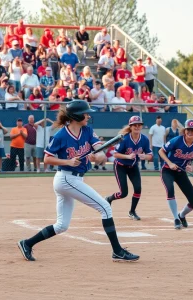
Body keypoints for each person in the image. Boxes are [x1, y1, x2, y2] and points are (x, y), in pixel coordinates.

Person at [17, 100, 140, 262]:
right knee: (105, 208)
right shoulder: (61, 135)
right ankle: (117, 251)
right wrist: (67, 161)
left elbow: (101, 154)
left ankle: (27, 243)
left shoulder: (87, 131)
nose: (88, 116)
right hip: (66, 179)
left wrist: (97, 157)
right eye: (85, 113)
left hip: (71, 180)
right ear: (75, 116)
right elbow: (47, 159)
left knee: (62, 225)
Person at [158, 119, 193, 229]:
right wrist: (169, 163)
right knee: (170, 190)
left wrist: (192, 167)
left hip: (181, 172)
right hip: (168, 170)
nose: (190, 132)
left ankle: (181, 215)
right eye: (188, 129)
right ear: (184, 130)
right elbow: (161, 151)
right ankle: (176, 219)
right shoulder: (177, 140)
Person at [105, 116, 152, 220]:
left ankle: (132, 211)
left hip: (133, 166)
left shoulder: (144, 139)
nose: (137, 127)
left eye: (139, 125)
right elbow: (116, 154)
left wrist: (145, 156)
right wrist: (127, 156)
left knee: (138, 188)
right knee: (123, 193)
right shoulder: (125, 138)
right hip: (120, 166)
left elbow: (150, 155)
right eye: (134, 125)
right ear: (130, 127)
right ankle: (109, 199)